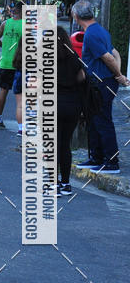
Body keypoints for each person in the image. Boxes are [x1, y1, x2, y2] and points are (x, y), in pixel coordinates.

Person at [71, 0, 130, 173]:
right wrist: (118, 75)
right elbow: (115, 53)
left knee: (102, 121)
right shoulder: (100, 30)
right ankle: (96, 157)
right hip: (100, 82)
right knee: (94, 120)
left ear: (76, 16)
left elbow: (109, 58)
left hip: (102, 83)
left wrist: (118, 75)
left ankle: (112, 162)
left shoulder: (91, 34)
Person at [56, 27, 85, 195]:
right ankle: (66, 184)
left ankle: (53, 185)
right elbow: (82, 77)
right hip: (72, 106)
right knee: (65, 145)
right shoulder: (74, 58)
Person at [0, 0, 23, 129]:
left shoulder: (5, 23)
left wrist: (5, 47)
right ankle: (22, 127)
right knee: (21, 95)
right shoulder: (27, 25)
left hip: (5, 62)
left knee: (3, 91)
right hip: (19, 64)